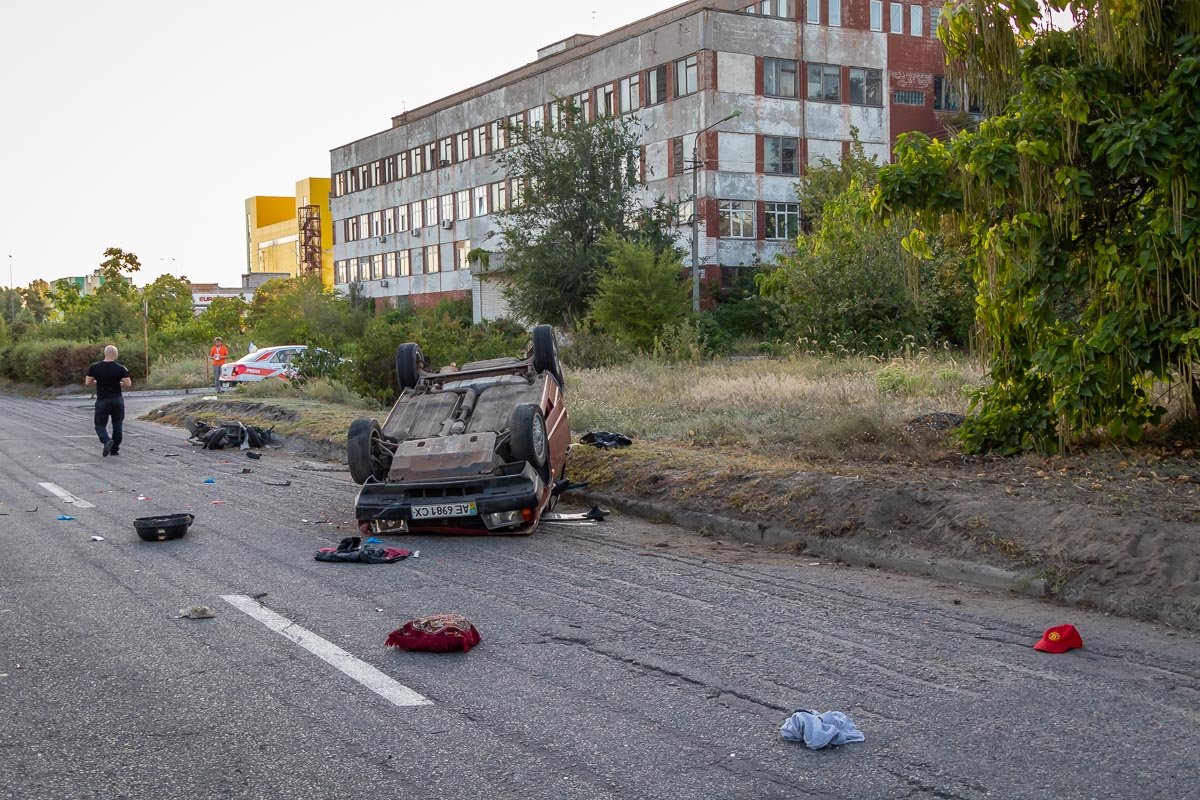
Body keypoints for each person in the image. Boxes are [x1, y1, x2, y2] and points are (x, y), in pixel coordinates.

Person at [84, 345, 132, 457]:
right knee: (117, 424)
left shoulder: (94, 367)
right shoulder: (121, 368)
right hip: (117, 400)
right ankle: (115, 449)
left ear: (105, 354)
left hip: (102, 400)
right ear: (115, 354)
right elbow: (128, 384)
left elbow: (87, 382)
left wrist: (98, 382)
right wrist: (118, 382)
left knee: (100, 424)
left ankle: (106, 440)